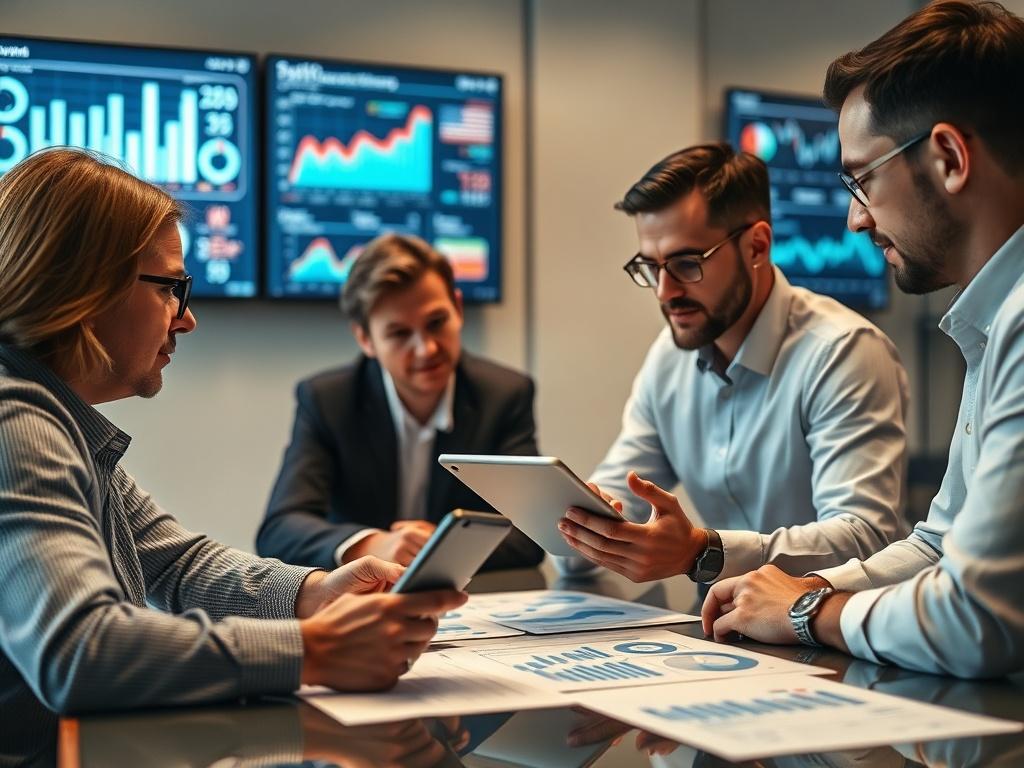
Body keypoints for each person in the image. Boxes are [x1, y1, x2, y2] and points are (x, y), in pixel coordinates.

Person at [0, 148, 466, 715]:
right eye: (169, 288)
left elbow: (176, 564)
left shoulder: (57, 418)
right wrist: (312, 650)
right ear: (82, 289)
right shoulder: (15, 423)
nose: (186, 317)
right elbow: (80, 652)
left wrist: (313, 593)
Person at [702, 0, 1024, 679]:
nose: (854, 219)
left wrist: (804, 615)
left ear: (948, 157)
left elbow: (980, 618)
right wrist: (811, 589)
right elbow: (941, 543)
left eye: (861, 179)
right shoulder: (992, 323)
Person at [556, 142, 910, 585]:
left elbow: (864, 537)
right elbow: (614, 498)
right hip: (725, 629)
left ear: (757, 246)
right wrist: (584, 529)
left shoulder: (843, 352)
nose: (665, 292)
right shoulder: (669, 359)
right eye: (651, 266)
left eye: (686, 263)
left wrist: (704, 551)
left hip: (830, 627)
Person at [257, 233, 543, 570]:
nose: (427, 349)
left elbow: (530, 533)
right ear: (366, 339)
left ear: (458, 308)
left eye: (436, 323)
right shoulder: (328, 400)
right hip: (362, 600)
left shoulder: (504, 394)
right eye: (399, 334)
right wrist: (373, 544)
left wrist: (444, 545)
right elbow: (280, 529)